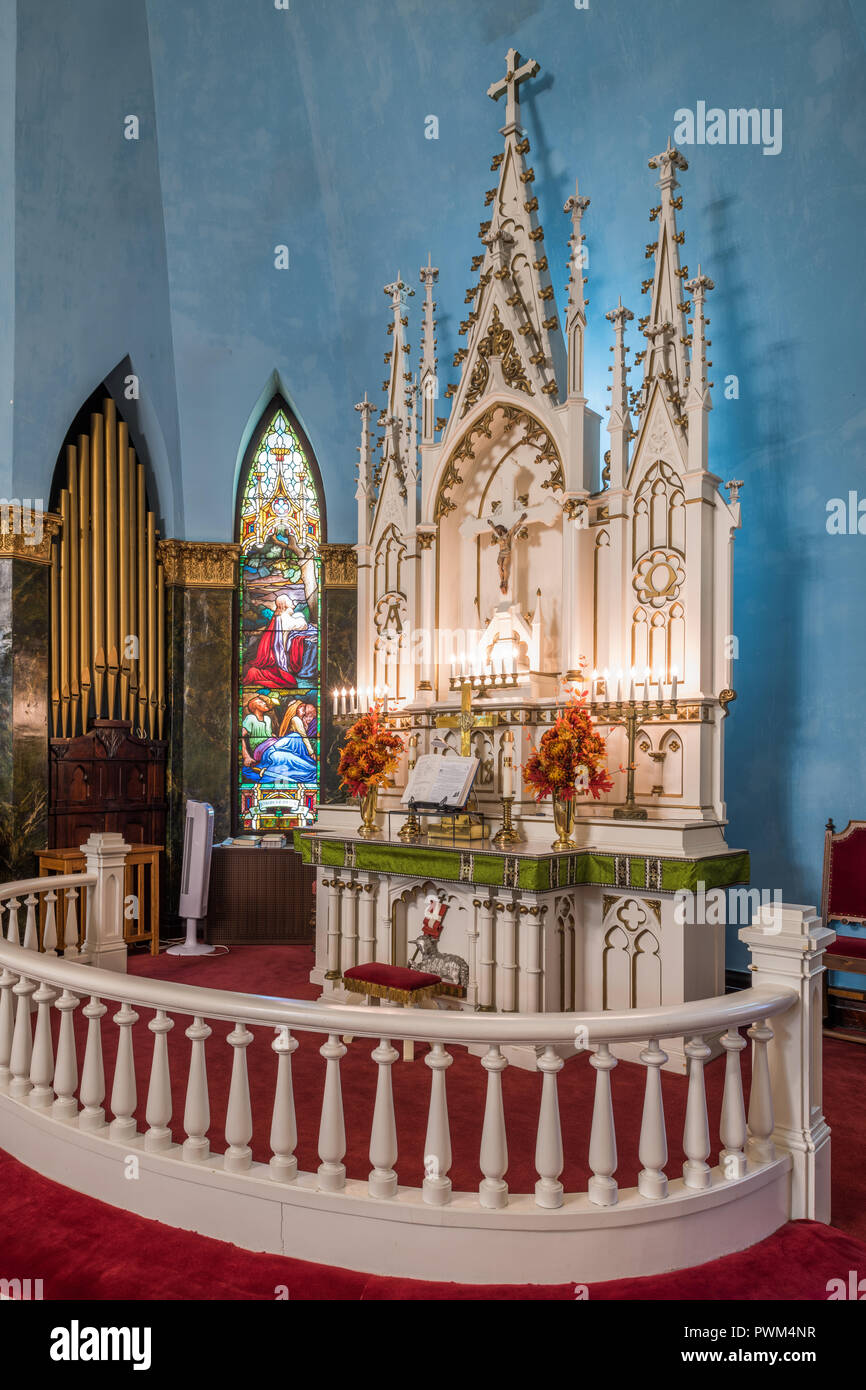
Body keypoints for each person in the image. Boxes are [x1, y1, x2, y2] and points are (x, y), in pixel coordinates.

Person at [242, 593, 317, 687]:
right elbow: (303, 626)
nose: (292, 602)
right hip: (277, 655)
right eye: (289, 601)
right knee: (288, 681)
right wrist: (300, 616)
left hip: (276, 650)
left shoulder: (277, 616)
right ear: (284, 604)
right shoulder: (284, 617)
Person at [246, 699, 318, 786]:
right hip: (264, 751)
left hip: (273, 746)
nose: (304, 712)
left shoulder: (267, 719)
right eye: (301, 708)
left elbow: (267, 734)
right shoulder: (250, 718)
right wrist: (246, 756)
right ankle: (312, 769)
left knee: (289, 756)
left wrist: (273, 737)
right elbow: (241, 736)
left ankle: (311, 769)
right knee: (295, 738)